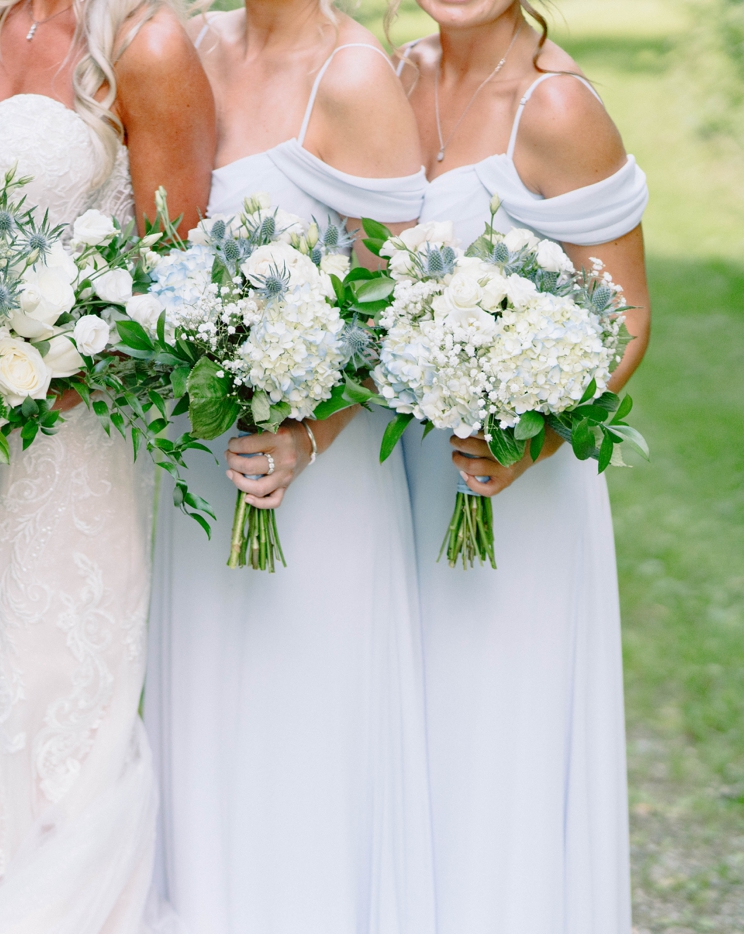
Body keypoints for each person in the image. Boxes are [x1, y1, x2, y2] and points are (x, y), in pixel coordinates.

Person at [0, 1, 214, 930]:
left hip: (72, 449)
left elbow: (171, 291)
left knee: (49, 699)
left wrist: (20, 387)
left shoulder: (152, 46)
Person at [142, 1, 436, 931]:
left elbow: (399, 300)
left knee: (304, 744)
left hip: (319, 479)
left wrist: (309, 436)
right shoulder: (191, 44)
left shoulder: (350, 76)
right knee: (204, 741)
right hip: (198, 465)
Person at [391, 1, 650, 930]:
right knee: (415, 736)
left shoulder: (557, 108)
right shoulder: (400, 74)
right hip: (397, 476)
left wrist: (528, 440)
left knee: (497, 740)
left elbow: (625, 319)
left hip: (513, 485)